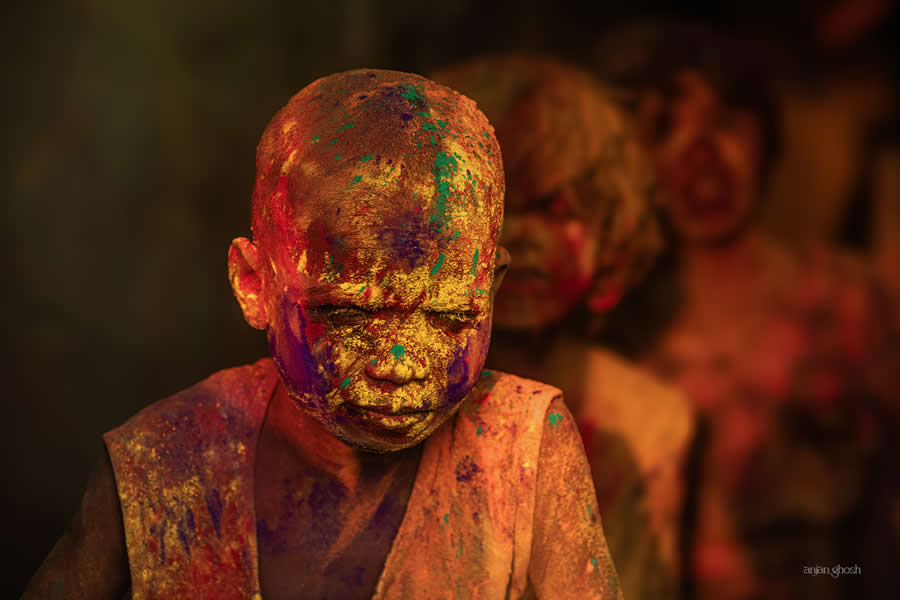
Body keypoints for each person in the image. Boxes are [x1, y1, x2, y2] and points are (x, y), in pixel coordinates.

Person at [23, 70, 622, 600]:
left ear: (489, 291)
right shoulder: (162, 462)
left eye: (446, 319)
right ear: (254, 284)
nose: (400, 365)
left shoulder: (522, 447)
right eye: (348, 318)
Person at [595, 24, 900, 600]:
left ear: (767, 136)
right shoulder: (612, 324)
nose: (701, 153)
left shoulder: (845, 304)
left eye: (726, 121)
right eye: (665, 130)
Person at [433, 55, 694, 600]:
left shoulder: (644, 419)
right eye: (502, 204)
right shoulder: (392, 392)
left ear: (612, 232)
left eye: (556, 208)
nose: (524, 237)